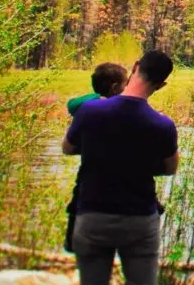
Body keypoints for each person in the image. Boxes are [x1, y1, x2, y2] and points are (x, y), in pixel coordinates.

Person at [63, 51, 178, 285]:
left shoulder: (90, 111)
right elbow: (170, 168)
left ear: (135, 67)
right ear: (162, 84)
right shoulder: (162, 124)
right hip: (139, 219)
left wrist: (100, 150)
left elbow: (68, 148)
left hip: (93, 214)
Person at [63, 63, 128, 252]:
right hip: (116, 191)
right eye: (125, 84)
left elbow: (72, 104)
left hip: (88, 188)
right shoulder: (120, 110)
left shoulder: (87, 108)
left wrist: (98, 96)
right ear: (115, 87)